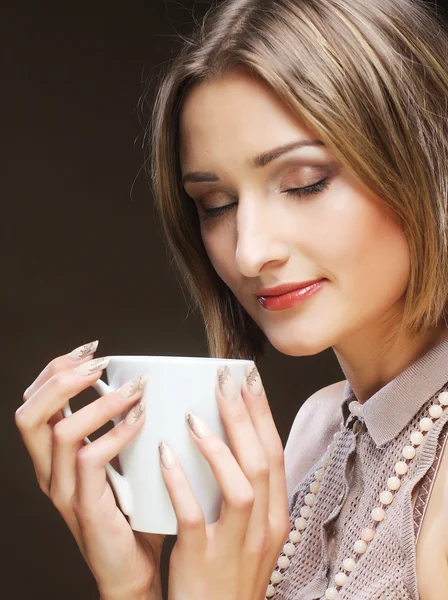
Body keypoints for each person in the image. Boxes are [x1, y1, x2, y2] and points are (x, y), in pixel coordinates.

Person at [15, 0, 448, 598]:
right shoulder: (320, 432)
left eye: (304, 183)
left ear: (425, 162)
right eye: (216, 205)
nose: (249, 253)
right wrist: (132, 586)